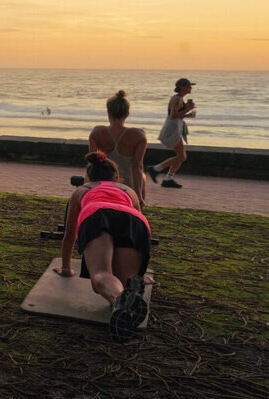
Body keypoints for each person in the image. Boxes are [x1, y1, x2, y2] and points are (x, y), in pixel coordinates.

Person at [56, 152, 151, 342]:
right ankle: (130, 292)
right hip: (134, 220)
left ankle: (119, 301)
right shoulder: (128, 190)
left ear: (88, 176)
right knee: (123, 282)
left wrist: (66, 268)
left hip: (97, 213)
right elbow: (137, 229)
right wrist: (141, 272)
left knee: (101, 275)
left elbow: (70, 234)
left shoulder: (81, 190)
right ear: (116, 177)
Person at [88, 90, 148, 204]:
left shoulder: (97, 133)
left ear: (108, 113)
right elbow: (137, 167)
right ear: (127, 114)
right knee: (143, 177)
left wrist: (88, 188)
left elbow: (92, 164)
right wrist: (139, 197)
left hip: (103, 184)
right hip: (128, 186)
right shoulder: (138, 135)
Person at [148, 78, 196, 190]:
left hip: (175, 127)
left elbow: (176, 115)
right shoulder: (177, 99)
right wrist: (188, 108)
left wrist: (187, 115)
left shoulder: (179, 99)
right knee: (182, 156)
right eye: (189, 86)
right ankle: (156, 169)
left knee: (181, 156)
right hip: (172, 129)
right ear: (183, 87)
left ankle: (168, 178)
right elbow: (173, 116)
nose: (191, 88)